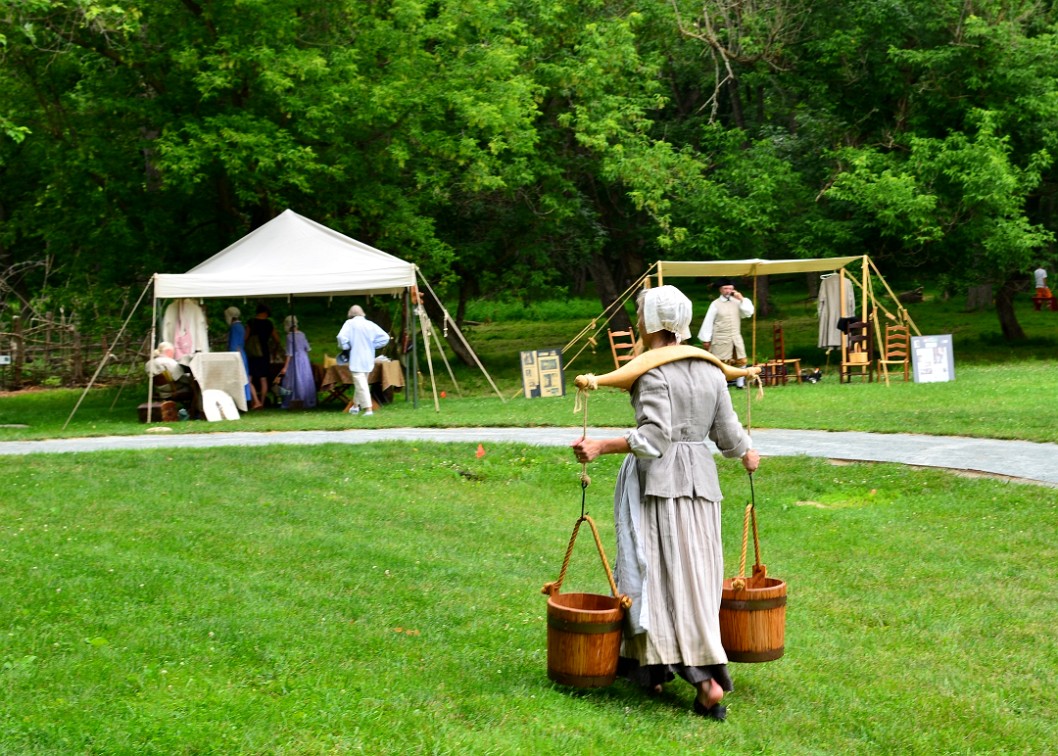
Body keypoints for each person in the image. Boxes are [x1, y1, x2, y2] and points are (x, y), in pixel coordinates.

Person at [571, 285, 760, 722]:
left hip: (662, 486)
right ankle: (650, 668)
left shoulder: (651, 373)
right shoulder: (710, 369)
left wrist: (601, 445)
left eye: (640, 316)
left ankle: (706, 680)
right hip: (703, 486)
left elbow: (653, 440)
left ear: (649, 323)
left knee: (662, 578)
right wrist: (748, 451)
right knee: (698, 575)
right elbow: (728, 436)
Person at [698, 279, 755, 388]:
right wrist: (706, 339)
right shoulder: (715, 304)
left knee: (741, 360)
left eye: (730, 288)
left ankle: (740, 384)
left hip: (735, 337)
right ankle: (720, 384)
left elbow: (748, 313)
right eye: (725, 288)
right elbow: (708, 321)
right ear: (720, 290)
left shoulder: (738, 302)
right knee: (720, 362)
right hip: (720, 338)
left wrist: (741, 298)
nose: (728, 291)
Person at [336, 305, 390, 417]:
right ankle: (355, 407)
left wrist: (346, 346)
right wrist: (373, 345)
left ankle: (368, 410)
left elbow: (341, 337)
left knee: (361, 384)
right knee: (361, 383)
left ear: (350, 314)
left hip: (356, 358)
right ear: (362, 313)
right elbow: (385, 337)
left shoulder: (349, 324)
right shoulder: (370, 324)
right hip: (368, 358)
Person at [224, 307, 263, 410]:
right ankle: (250, 400)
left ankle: (242, 401)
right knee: (245, 378)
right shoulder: (241, 326)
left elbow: (233, 345)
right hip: (242, 353)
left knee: (239, 378)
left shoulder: (234, 327)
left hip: (236, 356)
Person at [277, 315, 317, 409]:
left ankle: (293, 400)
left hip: (295, 360)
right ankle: (305, 399)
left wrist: (285, 367)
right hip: (304, 359)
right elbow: (307, 348)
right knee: (304, 378)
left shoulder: (289, 337)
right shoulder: (302, 334)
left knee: (292, 379)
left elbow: (289, 353)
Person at [245, 303, 279, 406]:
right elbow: (277, 340)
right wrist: (274, 350)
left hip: (253, 352)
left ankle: (256, 401)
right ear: (266, 312)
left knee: (249, 378)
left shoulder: (251, 322)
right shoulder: (269, 324)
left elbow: (245, 338)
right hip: (265, 352)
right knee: (263, 379)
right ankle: (262, 402)